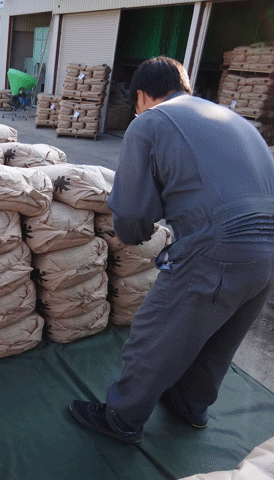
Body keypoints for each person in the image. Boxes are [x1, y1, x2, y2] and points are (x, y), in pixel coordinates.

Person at [69, 56, 274, 444]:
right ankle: (190, 406)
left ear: (142, 97)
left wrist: (132, 236)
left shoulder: (151, 122)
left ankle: (122, 418)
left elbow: (131, 212)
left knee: (157, 332)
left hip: (218, 245)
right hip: (268, 251)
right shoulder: (235, 122)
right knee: (221, 338)